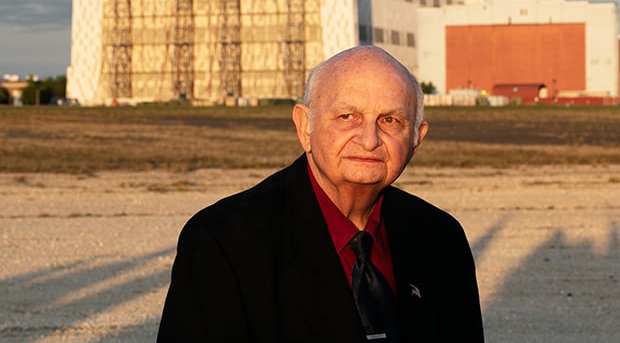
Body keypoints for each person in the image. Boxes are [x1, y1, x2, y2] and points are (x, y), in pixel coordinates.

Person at [157, 45, 484, 342]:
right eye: (347, 116)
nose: (369, 139)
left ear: (416, 138)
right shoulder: (224, 241)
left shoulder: (443, 238)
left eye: (390, 120)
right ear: (305, 126)